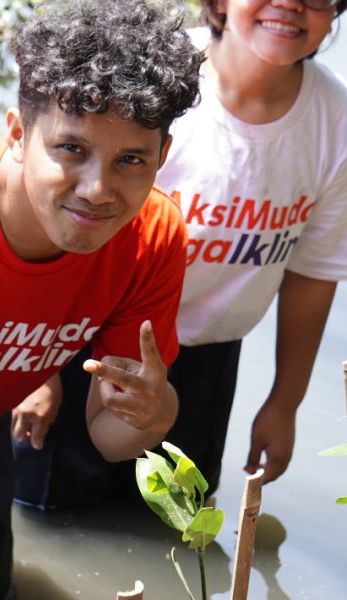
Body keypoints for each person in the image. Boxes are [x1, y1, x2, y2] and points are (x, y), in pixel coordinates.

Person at [0, 1, 205, 598]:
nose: (97, 190)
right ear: (17, 133)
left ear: (162, 158)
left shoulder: (152, 239)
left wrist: (154, 410)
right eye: (70, 150)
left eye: (130, 160)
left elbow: (111, 438)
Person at [153, 0, 347, 491]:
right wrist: (43, 375)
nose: (290, 5)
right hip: (91, 339)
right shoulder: (153, 71)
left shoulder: (335, 122)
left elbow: (314, 272)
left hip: (210, 355)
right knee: (52, 508)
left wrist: (284, 404)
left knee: (181, 520)